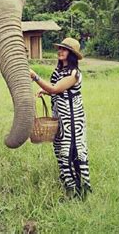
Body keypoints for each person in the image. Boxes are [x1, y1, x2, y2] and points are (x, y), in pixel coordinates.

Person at [29, 37, 92, 200]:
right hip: (60, 118)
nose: (60, 51)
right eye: (60, 49)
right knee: (60, 151)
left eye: (64, 49)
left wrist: (35, 77)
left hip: (72, 119)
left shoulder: (74, 74)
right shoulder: (59, 71)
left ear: (71, 54)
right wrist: (46, 92)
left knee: (71, 152)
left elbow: (56, 89)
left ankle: (80, 189)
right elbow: (58, 91)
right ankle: (69, 186)